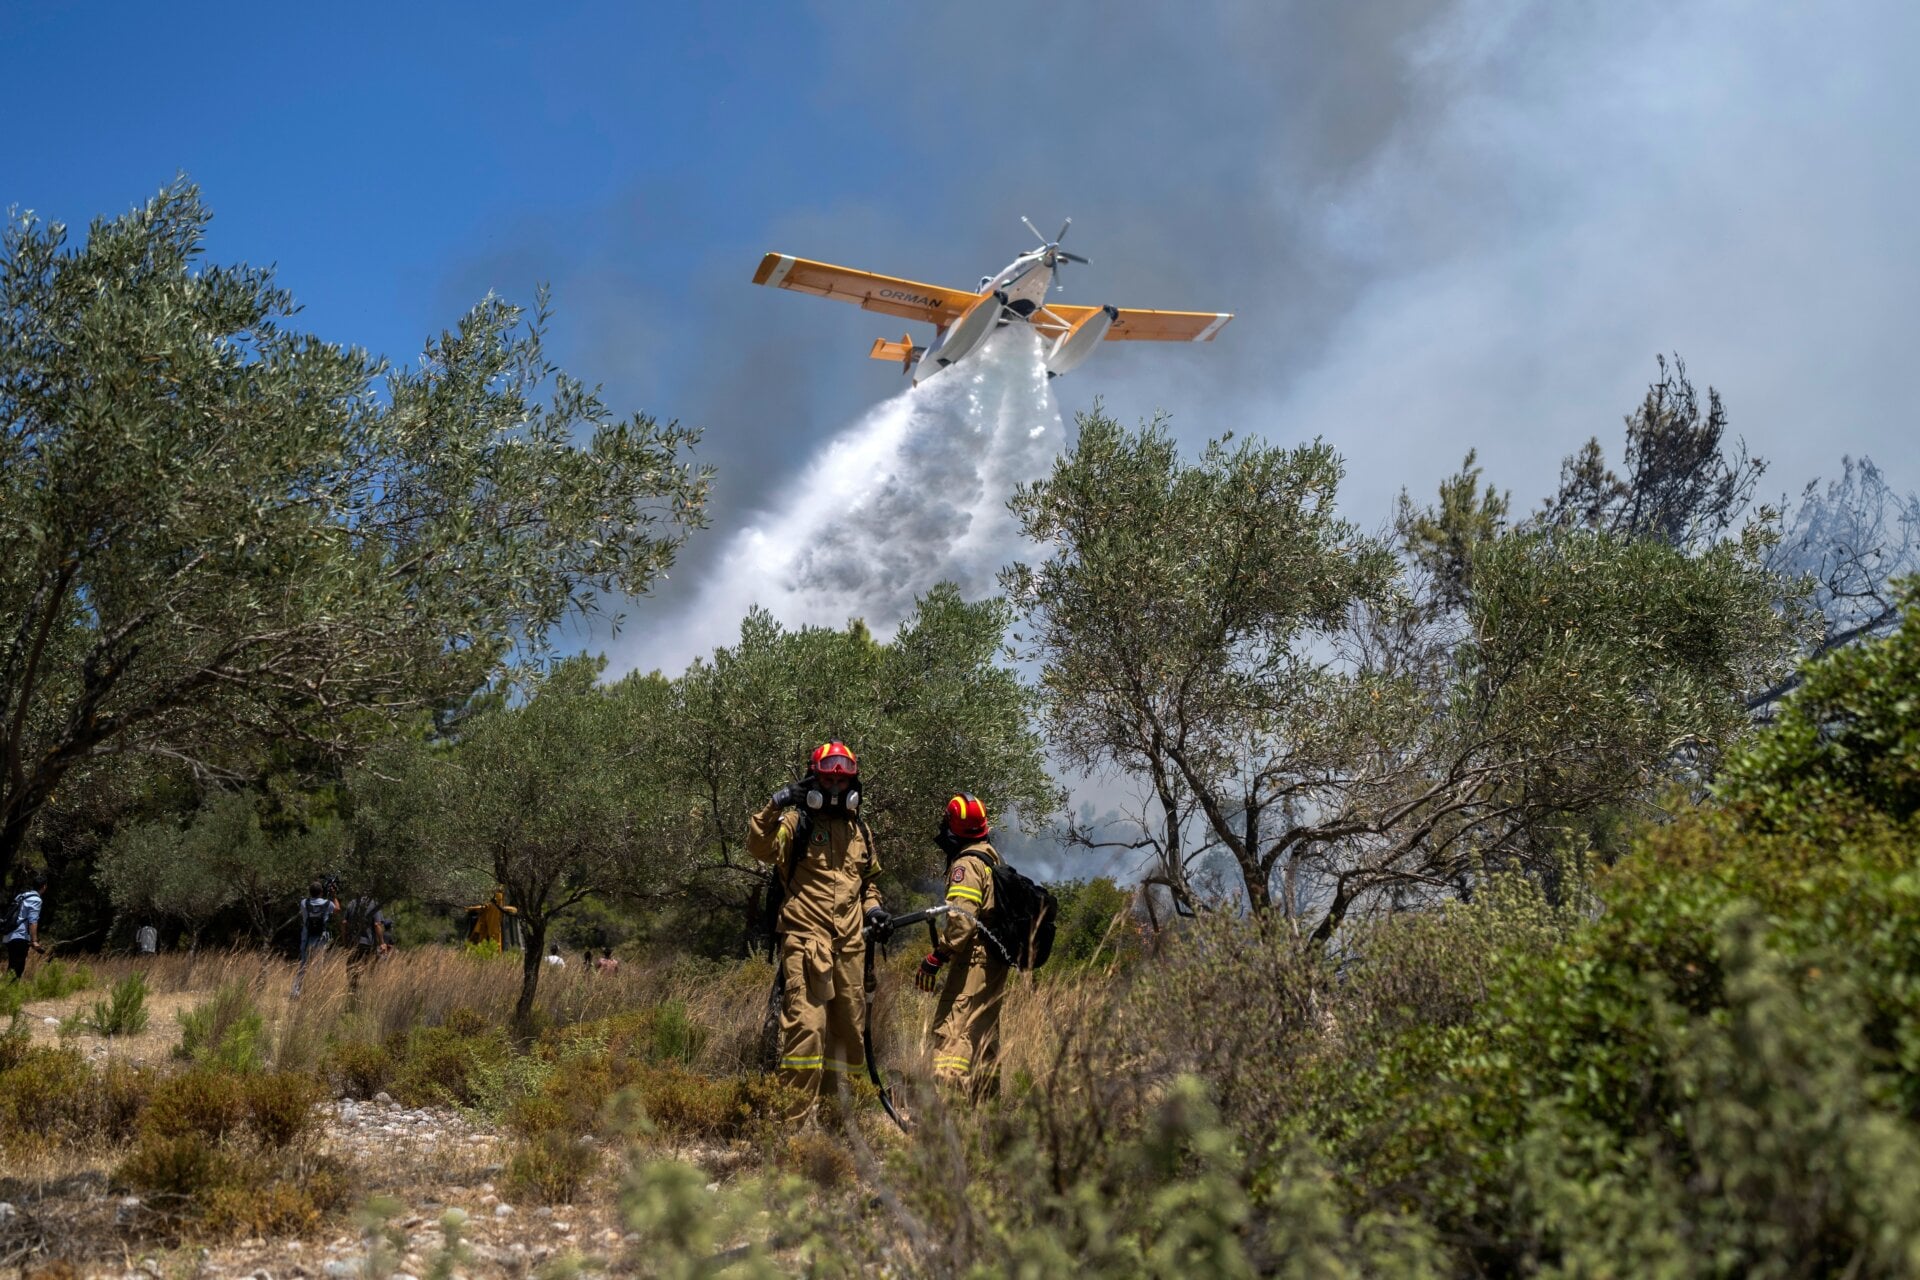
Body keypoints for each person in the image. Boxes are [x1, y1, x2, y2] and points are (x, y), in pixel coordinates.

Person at [747, 740, 886, 1119]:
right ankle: (790, 1127)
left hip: (851, 949)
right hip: (806, 941)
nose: (837, 790)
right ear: (814, 780)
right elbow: (758, 846)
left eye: (844, 783)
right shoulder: (796, 823)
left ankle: (837, 1128)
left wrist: (874, 911)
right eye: (829, 781)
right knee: (806, 1032)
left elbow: (868, 884)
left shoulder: (862, 831)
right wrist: (777, 802)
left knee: (849, 1040)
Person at [914, 794, 1012, 1098]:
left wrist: (937, 956)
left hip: (974, 961)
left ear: (953, 827)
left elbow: (962, 920)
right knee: (981, 1033)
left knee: (953, 1033)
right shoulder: (991, 855)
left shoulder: (967, 864)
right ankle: (985, 1108)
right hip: (993, 962)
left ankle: (948, 1107)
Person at [5, 869, 50, 981]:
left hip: (9, 935)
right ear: (44, 886)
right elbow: (33, 920)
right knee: (17, 969)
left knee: (12, 966)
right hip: (20, 936)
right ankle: (9, 993)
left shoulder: (22, 896)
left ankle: (6, 992)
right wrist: (34, 941)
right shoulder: (36, 900)